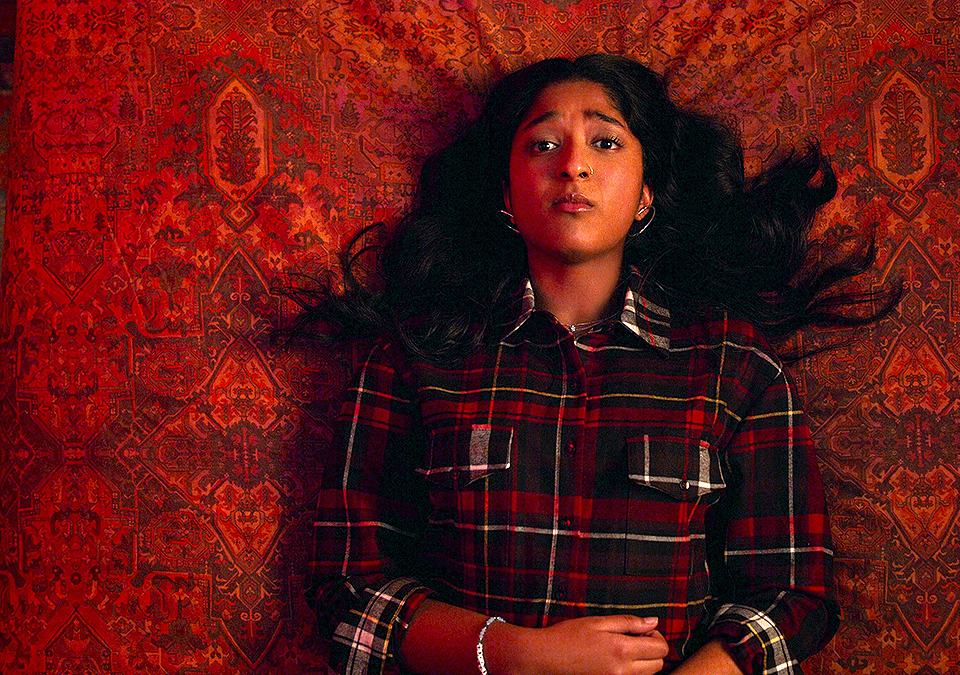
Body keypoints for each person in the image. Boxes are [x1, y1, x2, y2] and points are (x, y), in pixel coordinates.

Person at [297, 53, 896, 675]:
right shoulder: (416, 358)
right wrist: (517, 654)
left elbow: (794, 593)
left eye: (605, 142)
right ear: (506, 193)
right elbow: (349, 584)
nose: (573, 164)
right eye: (543, 144)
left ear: (645, 194)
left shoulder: (737, 367)